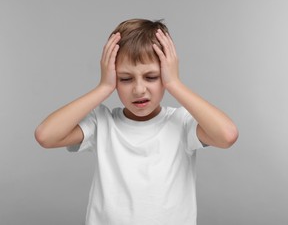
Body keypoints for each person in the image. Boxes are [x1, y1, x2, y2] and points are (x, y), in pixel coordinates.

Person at [35, 19, 238, 225]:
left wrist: (174, 83)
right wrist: (103, 88)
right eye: (125, 79)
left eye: (151, 77)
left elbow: (227, 135)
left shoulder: (182, 122)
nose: (139, 89)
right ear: (113, 78)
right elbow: (46, 136)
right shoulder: (102, 122)